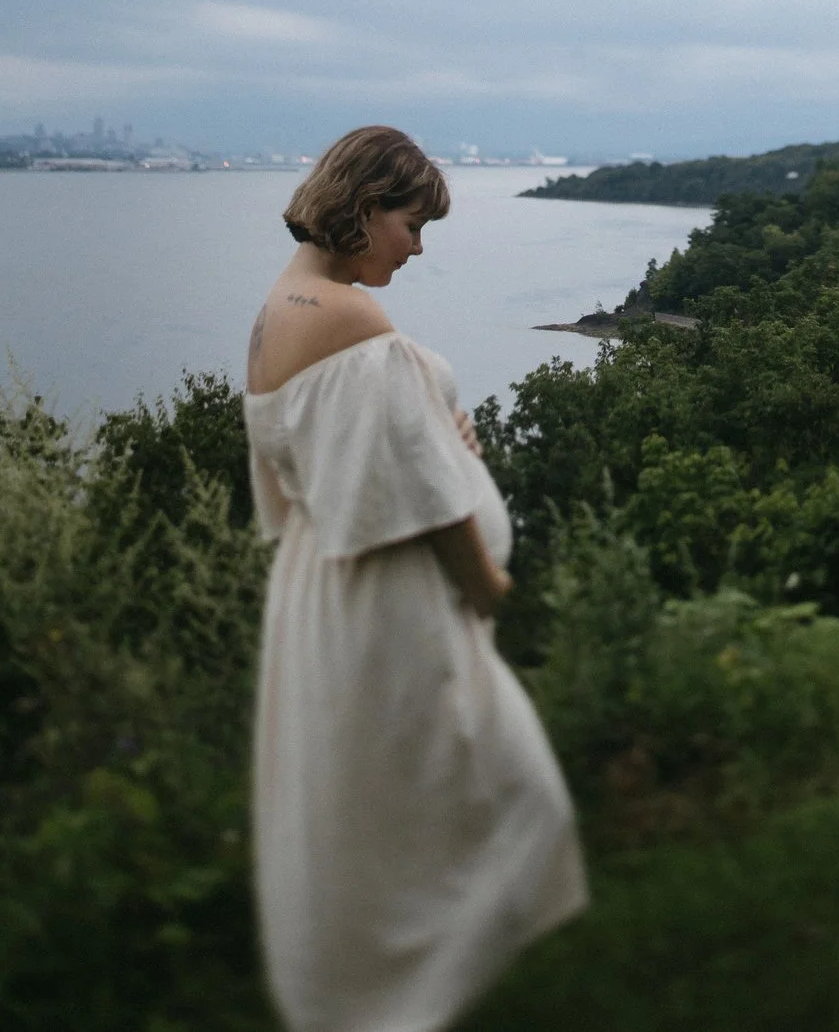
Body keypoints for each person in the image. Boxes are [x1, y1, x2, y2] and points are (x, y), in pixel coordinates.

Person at [244, 125, 587, 1032]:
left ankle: (393, 996)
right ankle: (404, 1000)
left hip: (323, 593)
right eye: (412, 222)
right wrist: (488, 587)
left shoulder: (280, 307)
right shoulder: (355, 321)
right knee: (518, 797)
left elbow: (310, 471)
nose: (418, 245)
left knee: (372, 809)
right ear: (364, 209)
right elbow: (426, 500)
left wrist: (438, 427)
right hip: (388, 596)